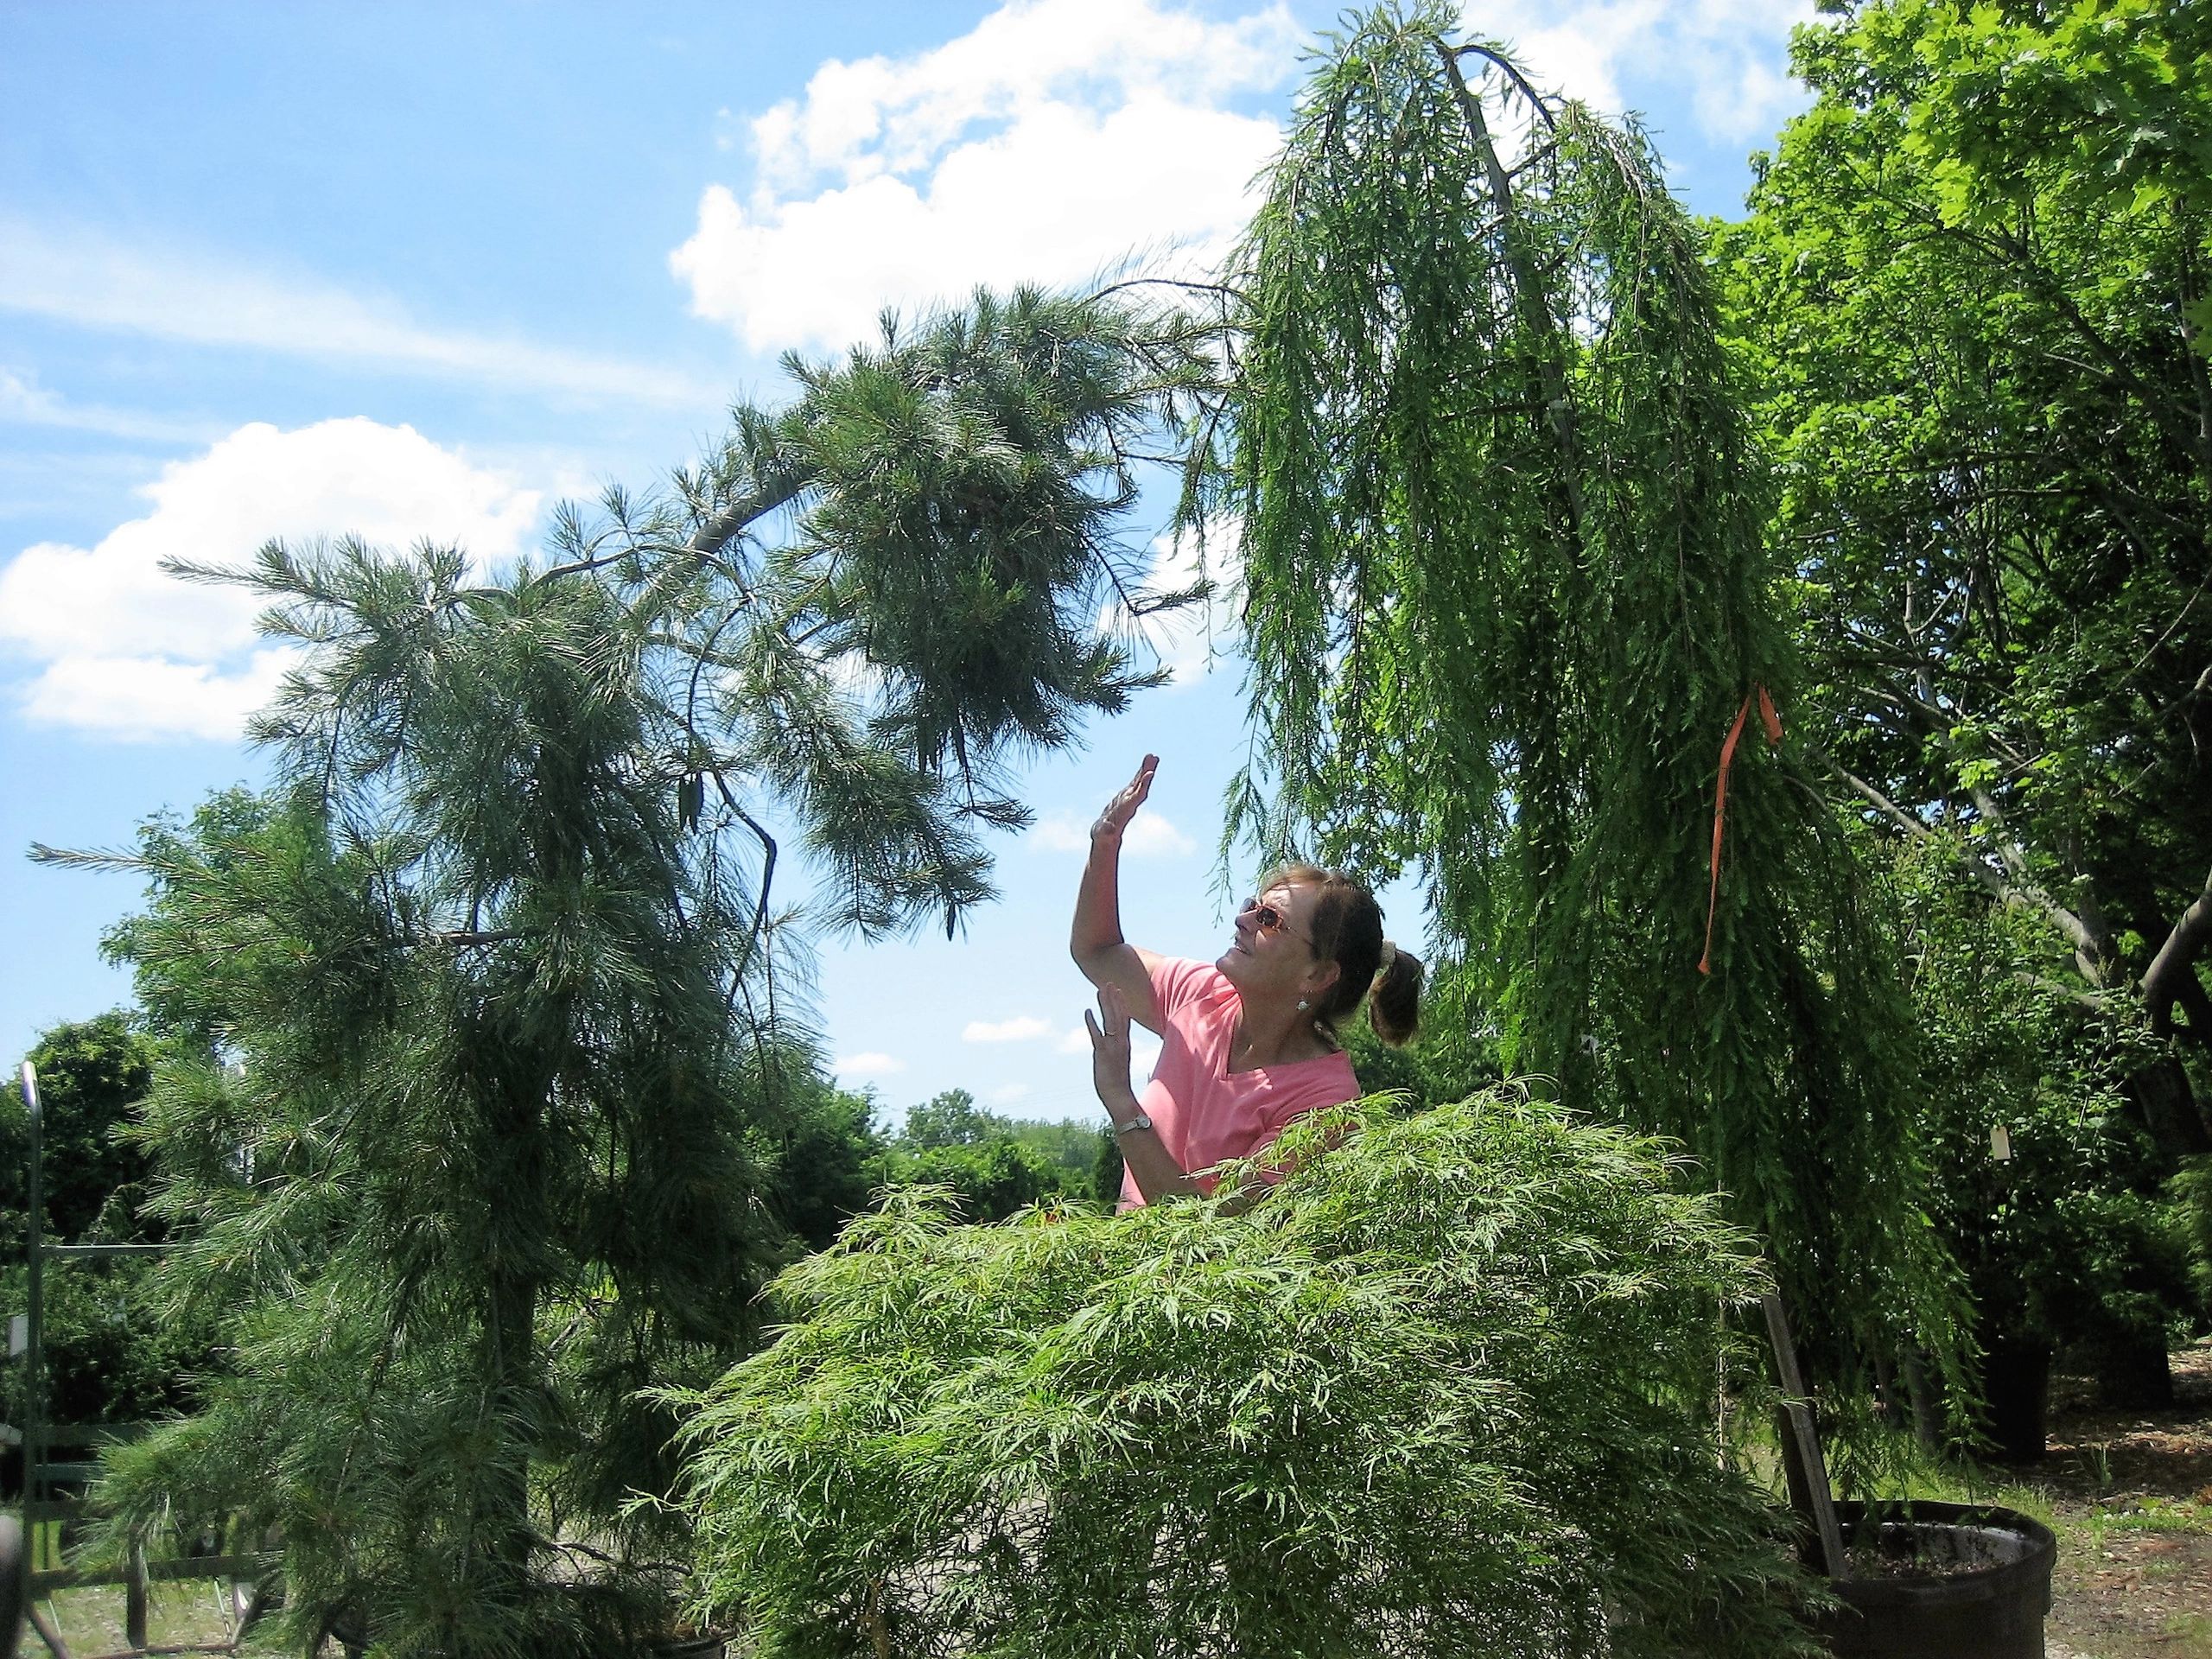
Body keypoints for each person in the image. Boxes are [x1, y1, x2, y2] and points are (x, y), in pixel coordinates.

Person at [1072, 753, 1424, 1209]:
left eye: (1269, 919)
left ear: (1316, 974)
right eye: (1252, 905)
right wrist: (1105, 845)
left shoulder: (1325, 1107)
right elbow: (1097, 952)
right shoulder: (1200, 995)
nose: (1242, 920)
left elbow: (1208, 1236)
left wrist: (1122, 1101)